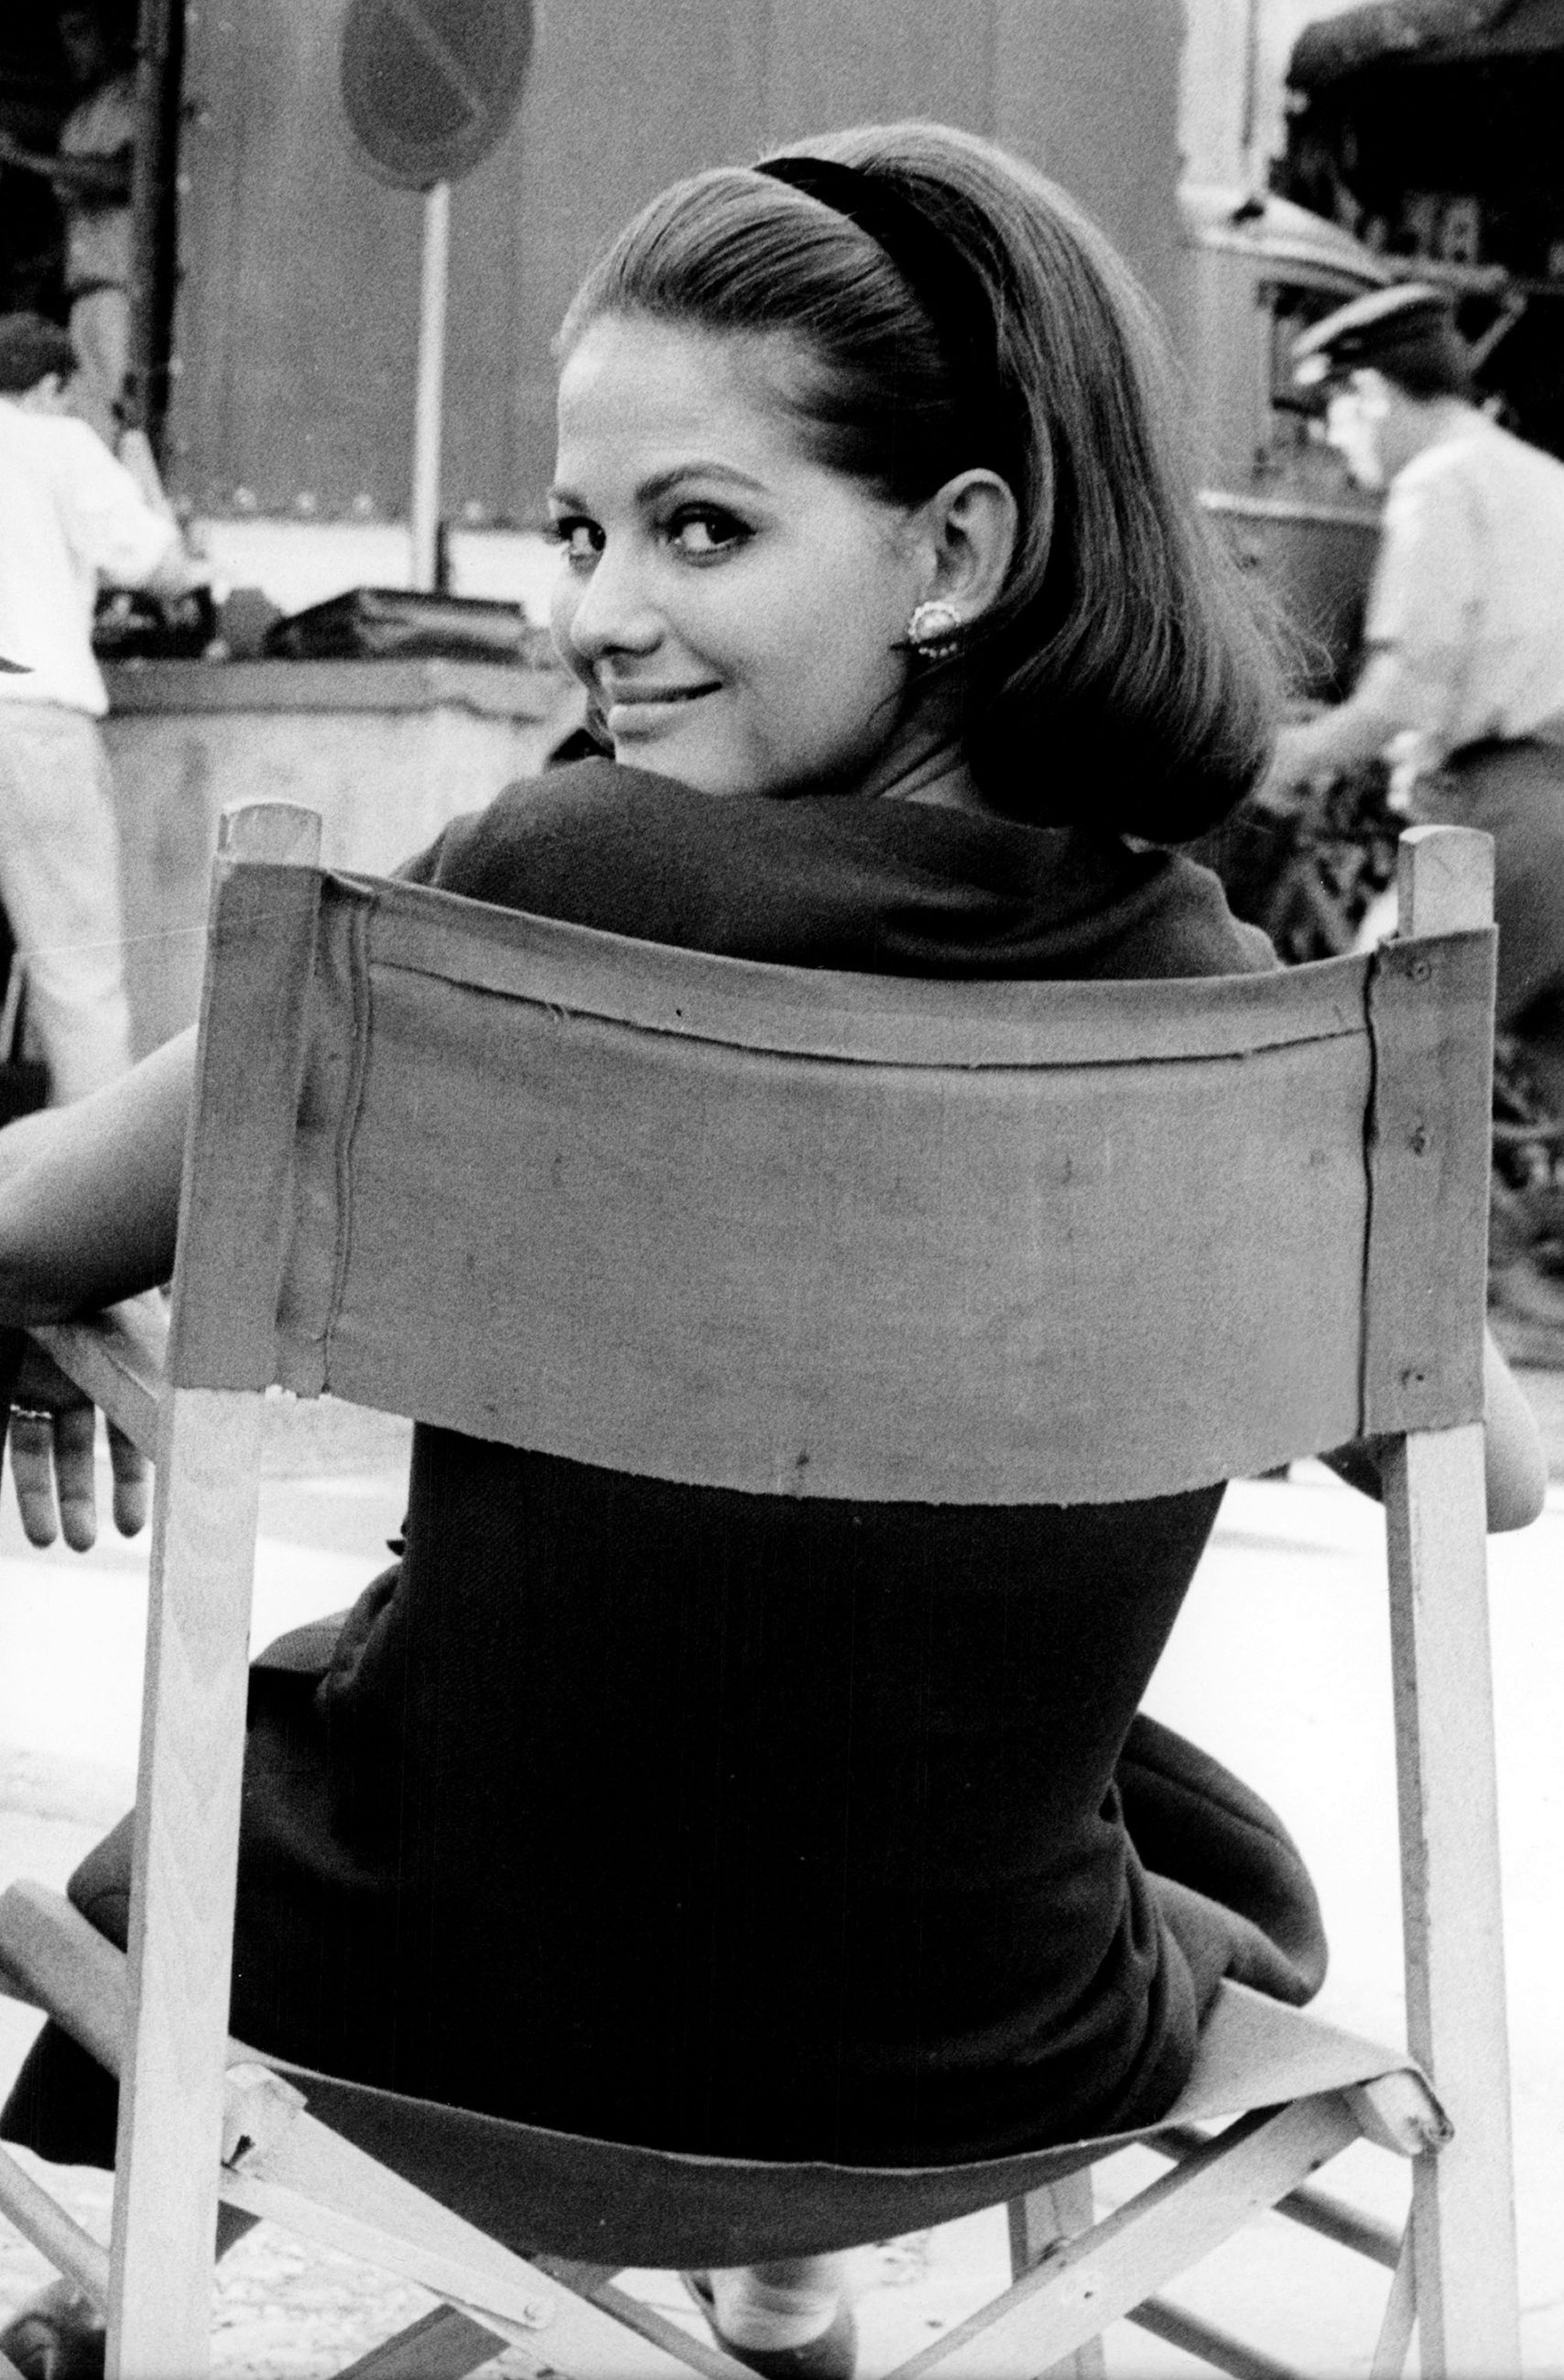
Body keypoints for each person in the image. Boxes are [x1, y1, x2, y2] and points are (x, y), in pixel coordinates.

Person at [0, 129, 1545, 2380]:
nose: (599, 613)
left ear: (957, 550)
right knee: (962, 1741)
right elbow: (1493, 1479)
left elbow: (25, 1222)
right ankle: (796, 2285)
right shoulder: (1231, 1002)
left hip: (423, 2008)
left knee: (435, 1714)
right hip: (976, 2052)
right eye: (581, 532)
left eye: (701, 528)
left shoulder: (534, 890)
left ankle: (129, 2289)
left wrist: (44, 1315)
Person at [1263, 281, 1564, 1331]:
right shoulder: (1543, 478)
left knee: (1373, 1045)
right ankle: (1519, 1270)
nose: (1333, 442)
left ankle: (1434, 1300)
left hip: (1503, 813)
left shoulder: (1438, 484)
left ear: (1372, 396)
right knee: (1544, 1056)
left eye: (1333, 413)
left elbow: (1403, 693)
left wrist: (1282, 759)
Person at [0, 311, 201, 1107]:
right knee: (78, 972)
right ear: (50, 387)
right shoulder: (57, 443)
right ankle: (86, 1176)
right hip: (36, 722)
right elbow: (163, 566)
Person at [0, 5, 138, 447]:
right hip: (83, 298)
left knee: (120, 429)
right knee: (92, 431)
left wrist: (22, 158)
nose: (69, 49)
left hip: (118, 293)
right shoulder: (79, 118)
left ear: (113, 36)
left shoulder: (135, 98)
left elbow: (121, 176)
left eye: (80, 34)